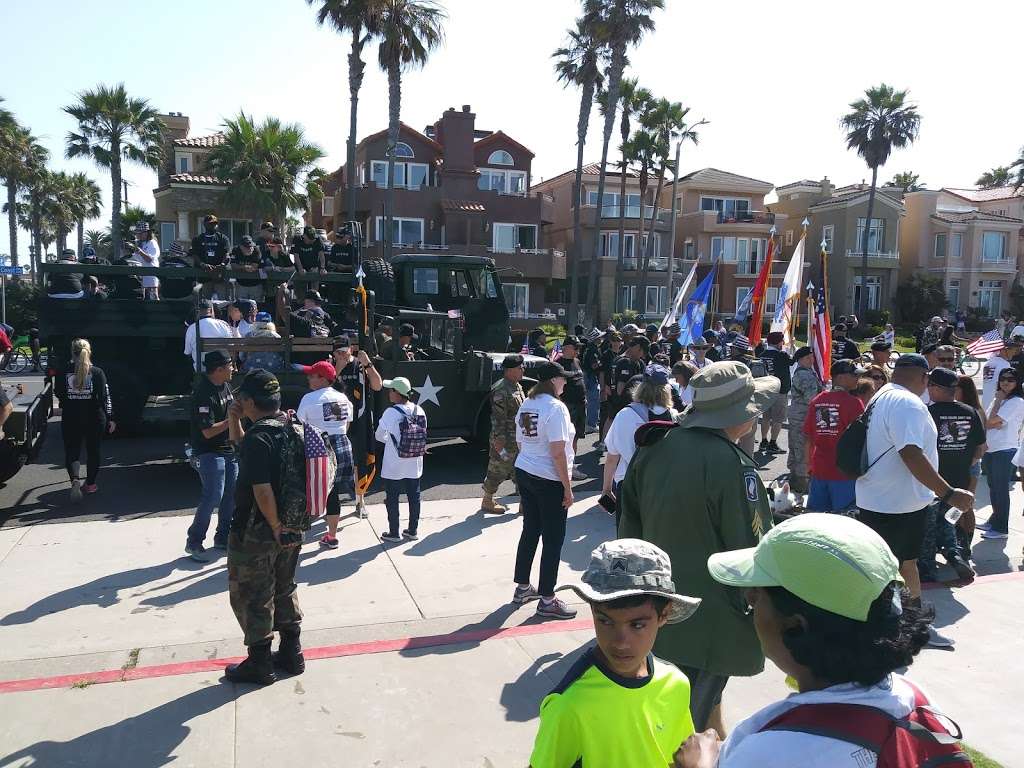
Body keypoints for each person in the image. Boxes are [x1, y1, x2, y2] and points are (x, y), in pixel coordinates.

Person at [680, 514, 962, 768]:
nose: (751, 602)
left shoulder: (773, 752)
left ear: (794, 626)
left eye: (755, 596)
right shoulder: (911, 697)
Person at [619, 361, 776, 734]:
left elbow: (628, 526)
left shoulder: (657, 444)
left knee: (693, 705)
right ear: (739, 415)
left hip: (658, 608)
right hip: (712, 615)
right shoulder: (732, 464)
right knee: (686, 724)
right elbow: (751, 550)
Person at [530, 539, 701, 768]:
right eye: (605, 621)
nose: (620, 643)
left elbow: (673, 758)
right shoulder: (568, 706)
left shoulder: (676, 683)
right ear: (591, 610)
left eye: (637, 625)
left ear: (664, 614)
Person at [854, 353, 973, 648]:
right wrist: (948, 492)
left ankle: (887, 626)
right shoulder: (908, 404)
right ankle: (910, 630)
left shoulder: (882, 395)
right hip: (898, 503)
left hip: (878, 498)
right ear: (924, 378)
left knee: (890, 566)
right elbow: (911, 453)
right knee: (902, 566)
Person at [224, 370, 305, 686]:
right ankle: (291, 653)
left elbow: (261, 489)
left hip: (259, 530)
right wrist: (235, 421)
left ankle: (259, 663)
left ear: (248, 401)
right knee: (285, 586)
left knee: (252, 593)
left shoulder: (260, 437)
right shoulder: (288, 426)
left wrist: (274, 526)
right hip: (293, 525)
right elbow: (245, 451)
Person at [512, 361, 577, 621]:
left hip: (526, 469)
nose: (566, 382)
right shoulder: (556, 408)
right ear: (553, 381)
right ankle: (548, 599)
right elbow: (558, 451)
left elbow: (519, 441)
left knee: (530, 530)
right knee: (553, 539)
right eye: (563, 379)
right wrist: (567, 488)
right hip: (548, 478)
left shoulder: (528, 403)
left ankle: (523, 587)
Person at [923, 368, 982, 583]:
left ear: (937, 388)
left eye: (930, 385)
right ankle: (956, 554)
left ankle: (928, 569)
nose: (928, 389)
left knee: (928, 528)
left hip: (932, 482)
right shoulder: (970, 411)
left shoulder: (927, 413)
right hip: (959, 481)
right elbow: (981, 447)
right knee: (949, 521)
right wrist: (965, 462)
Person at [603, 364, 677, 520]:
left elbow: (612, 458)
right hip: (664, 485)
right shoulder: (675, 417)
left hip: (630, 483)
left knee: (628, 538)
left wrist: (607, 489)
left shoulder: (625, 415)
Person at [185, 350, 237, 562]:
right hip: (208, 452)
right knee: (213, 495)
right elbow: (207, 431)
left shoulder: (225, 386)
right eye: (230, 365)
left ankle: (223, 538)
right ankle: (194, 541)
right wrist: (232, 419)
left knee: (230, 496)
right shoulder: (202, 393)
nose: (233, 368)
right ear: (219, 369)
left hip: (229, 450)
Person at [296, 360, 353, 550]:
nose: (309, 378)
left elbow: (299, 426)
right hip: (342, 443)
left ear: (323, 379)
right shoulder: (343, 398)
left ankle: (299, 530)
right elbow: (346, 425)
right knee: (333, 492)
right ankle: (331, 535)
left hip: (317, 446)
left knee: (309, 490)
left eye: (312, 375)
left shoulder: (309, 399)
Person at [55, 338, 114, 501]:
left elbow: (59, 393)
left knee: (72, 450)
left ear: (72, 352)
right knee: (93, 451)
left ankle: (74, 479)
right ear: (89, 352)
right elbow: (104, 397)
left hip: (71, 417)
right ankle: (90, 484)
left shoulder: (63, 371)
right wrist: (111, 418)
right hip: (95, 418)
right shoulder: (97, 372)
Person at [803, 360, 864, 516]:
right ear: (841, 377)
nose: (858, 379)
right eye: (854, 375)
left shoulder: (817, 401)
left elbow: (808, 438)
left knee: (815, 519)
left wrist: (808, 465)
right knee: (844, 521)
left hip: (819, 469)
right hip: (844, 472)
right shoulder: (854, 404)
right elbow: (862, 439)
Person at [331, 336, 382, 518]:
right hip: (338, 417)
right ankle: (331, 503)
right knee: (335, 458)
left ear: (351, 349)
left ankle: (360, 501)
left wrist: (368, 364)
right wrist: (337, 369)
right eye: (337, 352)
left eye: (343, 351)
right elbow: (325, 387)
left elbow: (377, 386)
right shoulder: (331, 365)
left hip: (360, 416)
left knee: (360, 459)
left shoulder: (360, 365)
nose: (340, 355)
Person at [374, 377, 427, 543]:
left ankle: (394, 532)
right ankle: (412, 530)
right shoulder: (420, 410)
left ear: (397, 394)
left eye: (391, 390)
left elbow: (379, 435)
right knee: (414, 496)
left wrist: (392, 440)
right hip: (415, 459)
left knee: (392, 497)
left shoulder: (391, 412)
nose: (389, 393)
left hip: (394, 462)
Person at [980, 366, 1024, 541]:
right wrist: (993, 420)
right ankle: (994, 519)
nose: (1005, 382)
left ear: (1017, 382)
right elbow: (987, 421)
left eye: (1010, 379)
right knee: (993, 487)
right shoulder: (1001, 398)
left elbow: (991, 421)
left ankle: (1001, 527)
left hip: (1005, 450)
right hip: (991, 449)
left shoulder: (1016, 402)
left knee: (1001, 489)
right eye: (1003, 379)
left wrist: (997, 403)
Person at [481, 354, 526, 514]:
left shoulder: (516, 386)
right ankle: (487, 500)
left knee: (520, 470)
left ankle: (524, 503)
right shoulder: (501, 389)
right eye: (520, 368)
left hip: (518, 439)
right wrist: (499, 441)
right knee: (498, 469)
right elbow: (498, 418)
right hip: (505, 440)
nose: (523, 370)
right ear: (510, 370)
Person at [954, 374, 986, 556]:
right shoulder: (959, 409)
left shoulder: (975, 411)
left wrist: (967, 465)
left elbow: (981, 446)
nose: (953, 392)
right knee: (956, 507)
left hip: (970, 466)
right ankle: (959, 540)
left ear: (964, 390)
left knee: (966, 506)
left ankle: (967, 542)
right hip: (959, 464)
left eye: (955, 388)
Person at [786, 346, 822, 494]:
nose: (812, 360)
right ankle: (801, 483)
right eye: (808, 358)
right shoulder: (805, 375)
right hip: (803, 416)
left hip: (798, 415)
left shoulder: (805, 373)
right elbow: (812, 399)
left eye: (812, 357)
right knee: (801, 448)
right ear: (800, 360)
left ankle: (794, 479)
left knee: (796, 447)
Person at [558, 336, 587, 480]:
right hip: (567, 405)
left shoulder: (576, 361)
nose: (578, 350)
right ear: (566, 348)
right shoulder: (559, 364)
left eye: (578, 347)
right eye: (575, 347)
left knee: (575, 437)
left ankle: (571, 465)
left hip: (580, 404)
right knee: (566, 438)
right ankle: (565, 468)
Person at [757, 332, 791, 453]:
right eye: (782, 341)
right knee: (778, 419)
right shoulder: (781, 355)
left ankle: (763, 440)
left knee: (766, 417)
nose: (783, 343)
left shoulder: (762, 354)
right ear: (778, 342)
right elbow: (791, 362)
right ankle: (773, 443)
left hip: (766, 389)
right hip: (780, 390)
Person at [184, 300, 238, 371]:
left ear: (198, 312)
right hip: (223, 368)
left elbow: (187, 352)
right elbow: (231, 347)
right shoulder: (224, 325)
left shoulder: (192, 328)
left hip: (202, 369)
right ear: (211, 310)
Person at [190, 214, 231, 299]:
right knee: (205, 302)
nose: (213, 226)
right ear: (205, 224)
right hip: (204, 276)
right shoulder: (198, 239)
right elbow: (194, 254)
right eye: (211, 224)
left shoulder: (223, 238)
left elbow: (227, 254)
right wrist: (202, 264)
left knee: (222, 302)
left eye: (215, 224)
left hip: (220, 276)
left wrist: (222, 264)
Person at [980, 334, 1020, 409]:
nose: (1014, 352)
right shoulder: (1005, 364)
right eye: (1012, 349)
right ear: (1004, 350)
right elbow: (1007, 388)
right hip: (998, 405)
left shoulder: (989, 363)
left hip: (986, 404)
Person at [126, 221, 160, 300]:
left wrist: (139, 251)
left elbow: (149, 259)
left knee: (154, 299)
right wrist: (130, 249)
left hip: (151, 276)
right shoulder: (142, 244)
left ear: (146, 233)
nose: (138, 235)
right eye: (138, 233)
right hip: (144, 276)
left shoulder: (152, 243)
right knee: (146, 299)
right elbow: (137, 259)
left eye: (140, 233)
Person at [230, 235, 270, 301]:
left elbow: (253, 267)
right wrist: (244, 267)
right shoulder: (236, 250)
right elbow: (233, 265)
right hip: (241, 284)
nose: (249, 248)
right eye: (247, 247)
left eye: (250, 246)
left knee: (257, 305)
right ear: (241, 246)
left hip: (256, 284)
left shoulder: (256, 250)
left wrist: (242, 267)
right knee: (241, 305)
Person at [581, 329, 603, 433]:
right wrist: (601, 363)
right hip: (590, 377)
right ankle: (591, 424)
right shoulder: (592, 350)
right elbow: (594, 365)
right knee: (593, 400)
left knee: (591, 400)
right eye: (599, 337)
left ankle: (590, 422)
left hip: (588, 376)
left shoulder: (588, 348)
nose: (601, 339)